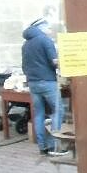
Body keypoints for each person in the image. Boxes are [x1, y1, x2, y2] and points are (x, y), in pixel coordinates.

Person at [21, 17, 66, 156]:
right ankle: (54, 146)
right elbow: (54, 61)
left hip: (33, 83)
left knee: (39, 114)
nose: (51, 30)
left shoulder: (26, 44)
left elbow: (24, 66)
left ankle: (42, 147)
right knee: (58, 111)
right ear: (42, 28)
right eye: (49, 27)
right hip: (47, 81)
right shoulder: (45, 40)